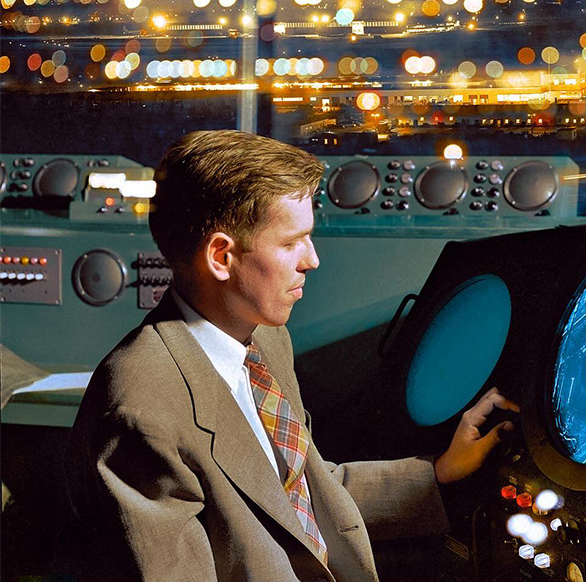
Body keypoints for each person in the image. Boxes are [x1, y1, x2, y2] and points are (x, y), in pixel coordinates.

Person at [64, 130, 519, 582]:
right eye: (290, 243)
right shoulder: (141, 410)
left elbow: (297, 495)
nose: (312, 260)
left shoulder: (264, 341)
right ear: (221, 257)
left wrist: (439, 471)